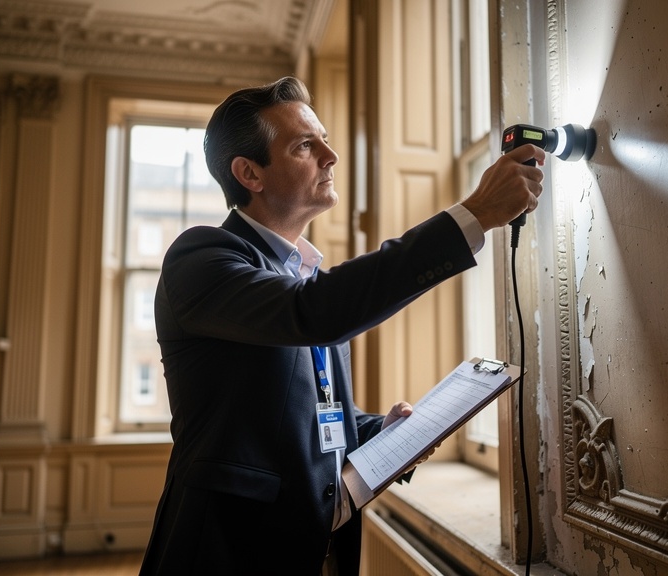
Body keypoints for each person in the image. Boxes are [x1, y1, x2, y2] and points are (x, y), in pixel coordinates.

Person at [138, 76, 544, 576]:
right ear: (250, 173)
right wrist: (474, 215)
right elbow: (313, 313)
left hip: (318, 547)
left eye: (325, 140)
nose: (331, 157)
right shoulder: (202, 258)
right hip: (226, 552)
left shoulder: (304, 275)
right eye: (305, 146)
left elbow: (309, 416)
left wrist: (379, 432)